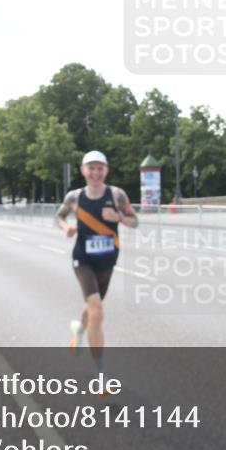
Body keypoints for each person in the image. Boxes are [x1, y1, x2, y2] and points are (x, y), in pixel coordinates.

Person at [55, 151, 138, 378]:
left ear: (106, 171)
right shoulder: (75, 197)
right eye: (90, 168)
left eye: (99, 168)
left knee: (94, 307)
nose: (95, 172)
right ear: (83, 171)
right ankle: (101, 374)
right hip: (83, 259)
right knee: (98, 311)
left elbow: (135, 221)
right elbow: (59, 216)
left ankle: (79, 329)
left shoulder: (117, 195)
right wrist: (66, 228)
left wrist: (118, 218)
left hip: (108, 258)